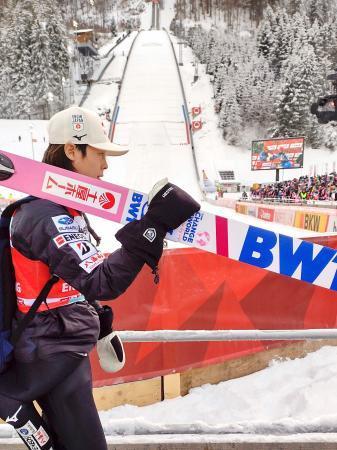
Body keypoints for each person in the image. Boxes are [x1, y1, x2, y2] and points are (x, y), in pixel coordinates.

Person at [0, 106, 200, 450]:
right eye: (99, 153)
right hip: (51, 350)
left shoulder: (61, 210)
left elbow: (72, 278)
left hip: (63, 344)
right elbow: (102, 280)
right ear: (71, 151)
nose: (106, 165)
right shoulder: (44, 215)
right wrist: (154, 225)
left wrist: (95, 315)